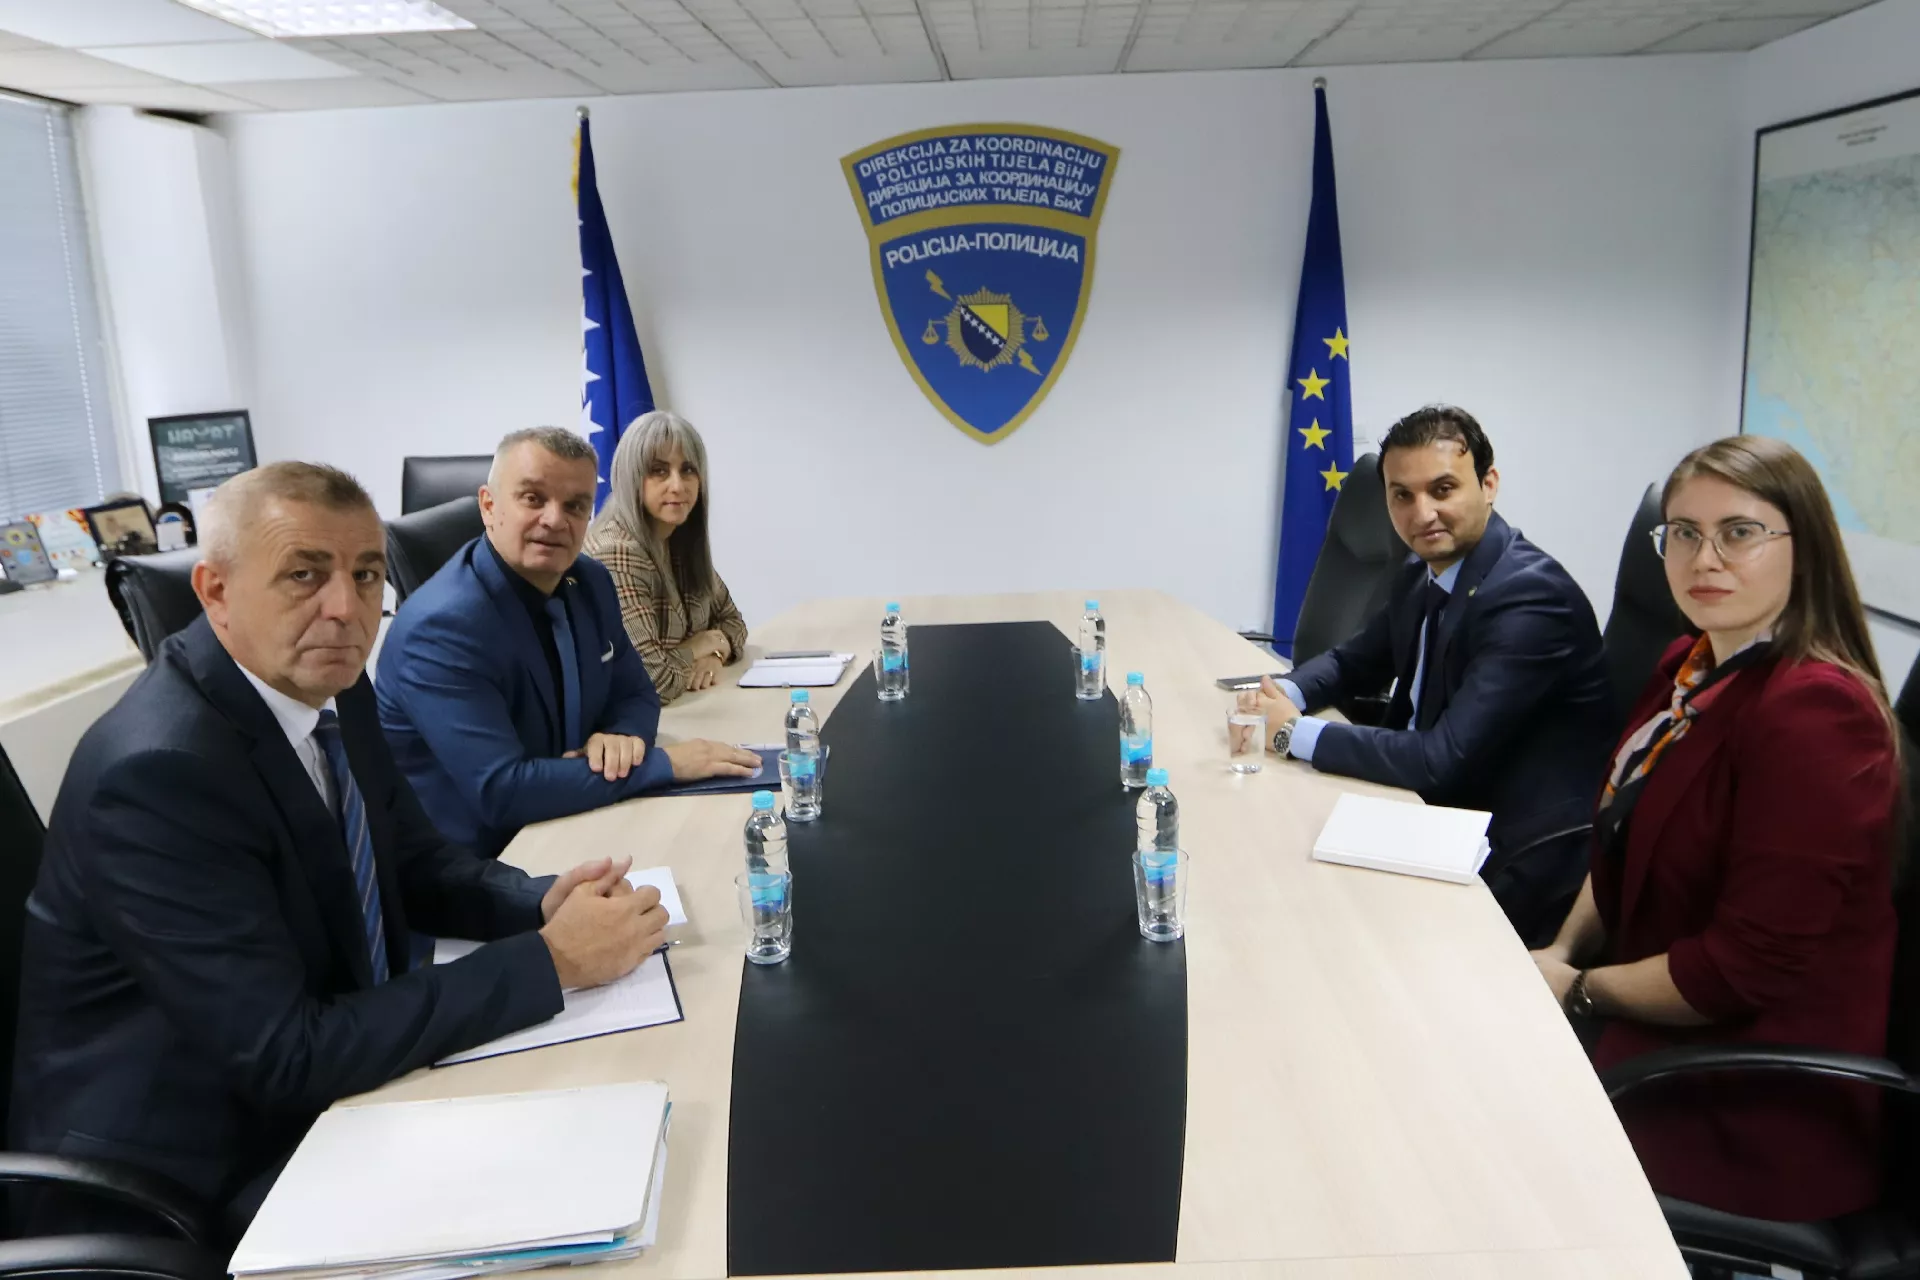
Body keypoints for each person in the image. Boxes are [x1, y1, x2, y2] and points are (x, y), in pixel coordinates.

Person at [11, 463, 666, 1241]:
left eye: (365, 575)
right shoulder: (159, 774)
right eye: (304, 574)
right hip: (190, 1174)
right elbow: (286, 1053)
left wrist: (539, 901)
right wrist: (553, 962)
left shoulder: (333, 685)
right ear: (215, 591)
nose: (345, 610)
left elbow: (413, 862)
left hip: (324, 1082)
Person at [1531, 436, 1902, 1223]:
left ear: (1804, 545)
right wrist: (1561, 952)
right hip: (1655, 1025)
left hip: (1744, 1095)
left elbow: (1737, 972)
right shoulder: (1687, 665)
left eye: (1739, 532)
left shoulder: (1818, 715)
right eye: (1684, 533)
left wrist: (1581, 990)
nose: (1705, 558)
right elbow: (1621, 840)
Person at [1237, 405, 1614, 942]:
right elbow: (1351, 661)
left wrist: (1291, 733)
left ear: (1489, 484)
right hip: (1429, 811)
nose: (1422, 513)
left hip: (1513, 851)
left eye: (1442, 489)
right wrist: (1281, 692)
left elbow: (1440, 760)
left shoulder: (1531, 598)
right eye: (1402, 495)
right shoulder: (1423, 572)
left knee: (1317, 926)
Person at [378, 427, 757, 859]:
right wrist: (666, 764)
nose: (556, 520)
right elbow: (502, 790)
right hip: (485, 863)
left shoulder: (589, 581)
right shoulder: (441, 628)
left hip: (573, 816)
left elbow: (637, 694)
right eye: (533, 498)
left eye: (576, 505)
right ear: (488, 505)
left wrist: (621, 738)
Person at [583, 411, 748, 702]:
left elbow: (733, 621)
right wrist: (697, 647)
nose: (678, 485)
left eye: (688, 470)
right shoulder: (617, 552)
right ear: (632, 477)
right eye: (659, 470)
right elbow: (652, 681)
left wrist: (715, 654)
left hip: (687, 709)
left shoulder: (678, 538)